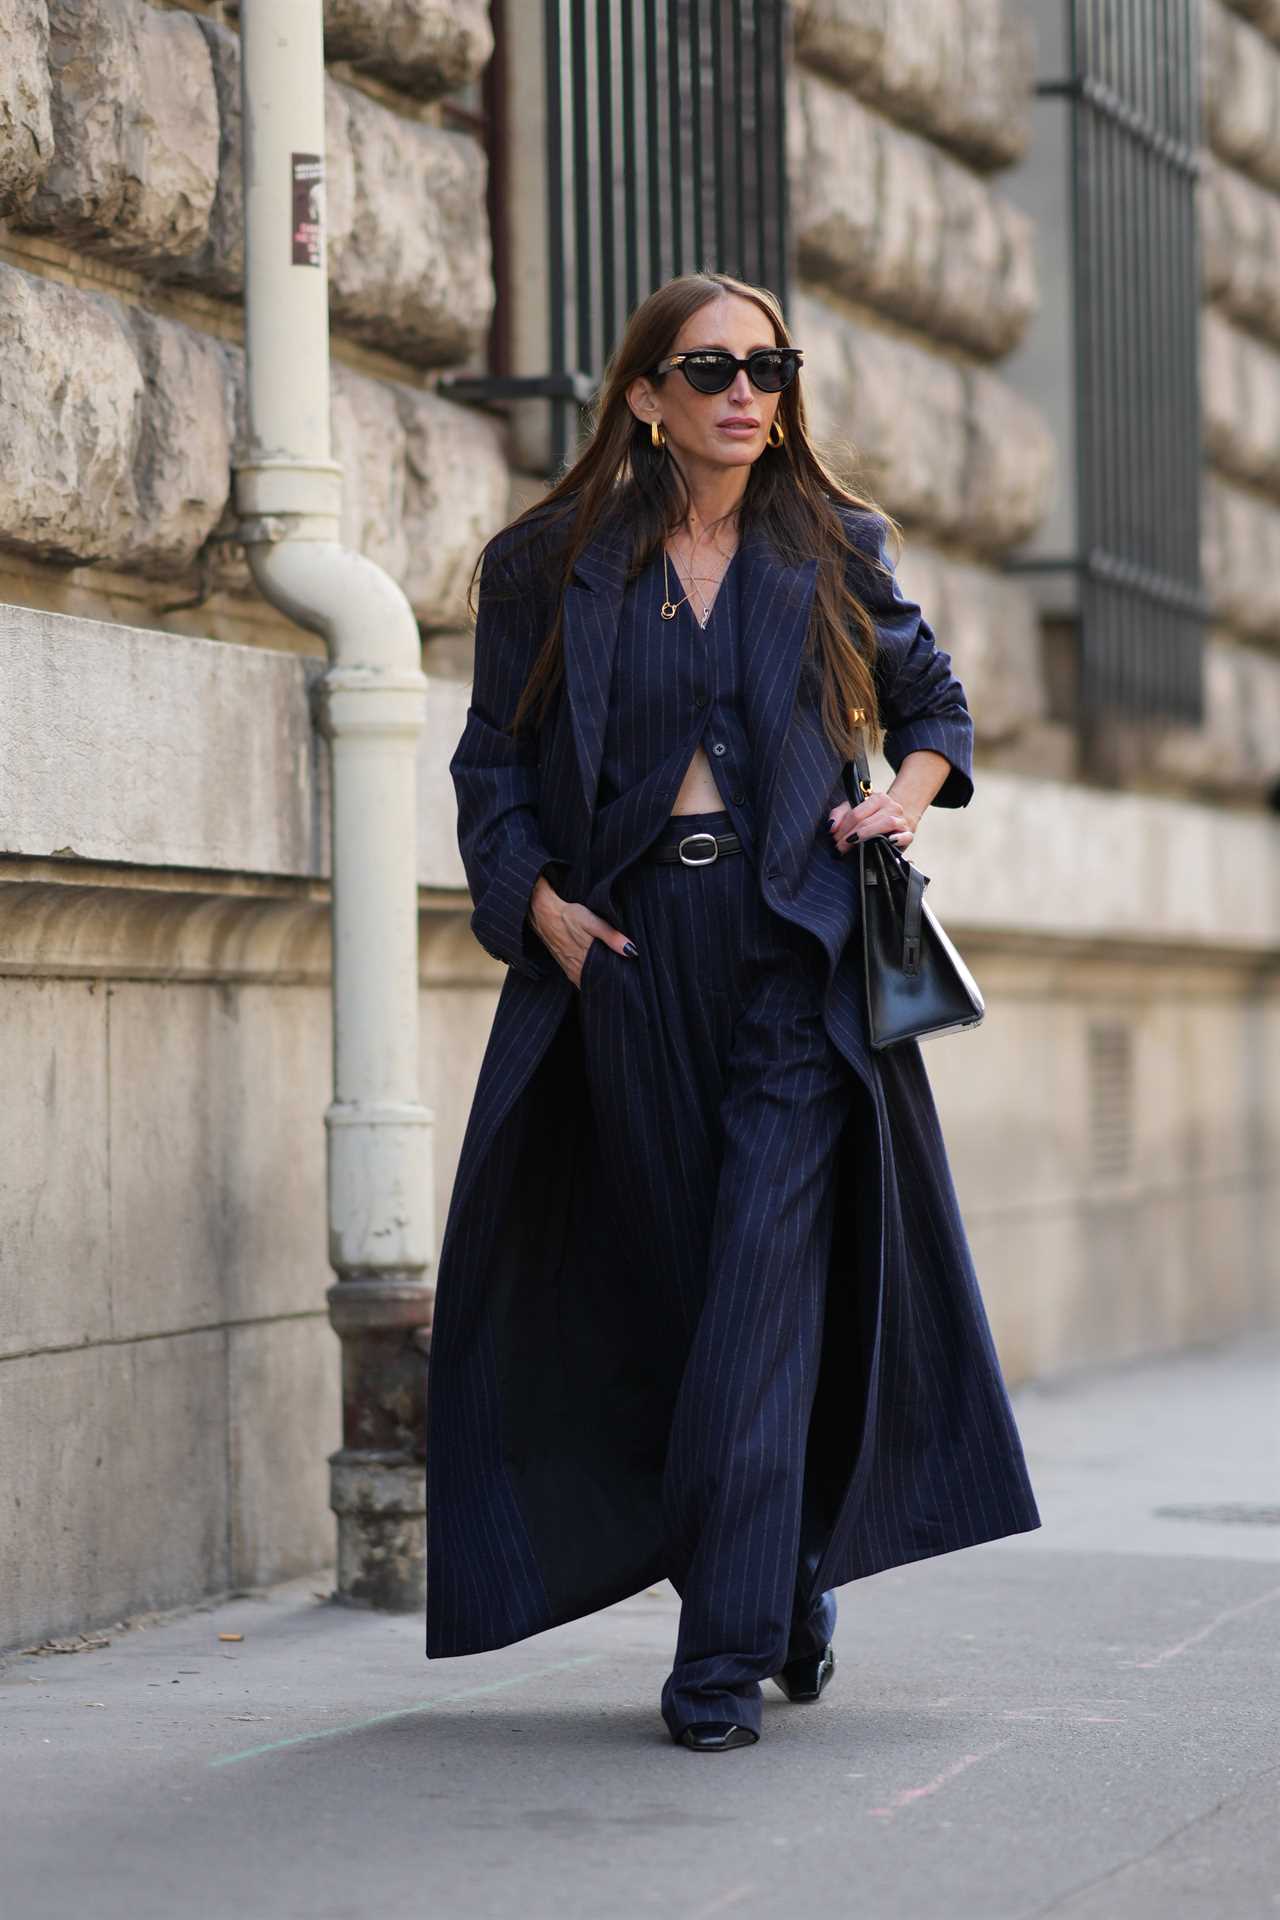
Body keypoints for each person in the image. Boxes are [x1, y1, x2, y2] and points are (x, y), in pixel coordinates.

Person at [424, 270, 1041, 1752]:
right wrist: (542, 915)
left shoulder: (831, 545)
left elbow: (936, 709)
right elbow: (490, 773)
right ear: (645, 395)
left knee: (762, 1294)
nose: (744, 392)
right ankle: (784, 1576)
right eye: (709, 370)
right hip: (624, 963)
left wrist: (896, 805)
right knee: (682, 1302)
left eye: (767, 366)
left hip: (790, 967)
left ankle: (715, 1662)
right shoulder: (546, 566)